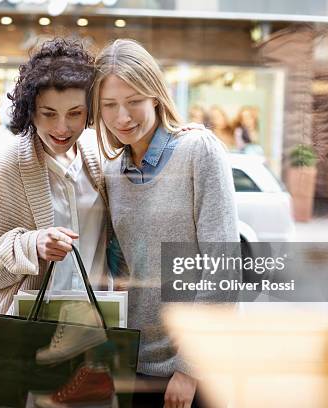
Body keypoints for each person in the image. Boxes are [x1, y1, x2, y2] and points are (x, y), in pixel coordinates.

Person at [0, 38, 123, 407]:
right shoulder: (4, 166)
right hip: (26, 335)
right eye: (48, 113)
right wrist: (32, 244)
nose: (62, 126)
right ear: (28, 110)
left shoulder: (99, 160)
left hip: (91, 334)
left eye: (75, 112)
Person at [92, 39, 239, 408]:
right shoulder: (112, 173)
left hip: (193, 370)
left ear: (156, 96)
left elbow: (224, 267)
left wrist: (190, 368)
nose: (122, 117)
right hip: (132, 363)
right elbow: (122, 274)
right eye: (109, 105)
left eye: (134, 101)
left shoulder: (198, 152)